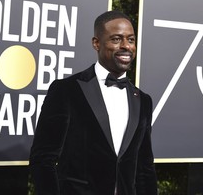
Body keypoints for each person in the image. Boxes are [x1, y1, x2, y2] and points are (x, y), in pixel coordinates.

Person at [29, 11, 158, 195]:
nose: (126, 46)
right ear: (96, 43)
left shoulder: (143, 100)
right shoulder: (66, 90)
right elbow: (42, 160)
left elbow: (144, 168)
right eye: (116, 39)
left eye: (130, 39)